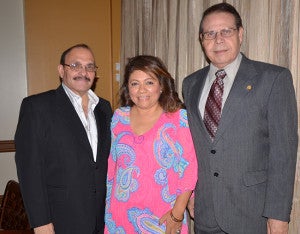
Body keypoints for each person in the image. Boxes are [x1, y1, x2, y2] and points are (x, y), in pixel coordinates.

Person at [182, 3, 298, 234]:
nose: (218, 40)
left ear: (240, 34)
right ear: (201, 39)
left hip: (253, 214)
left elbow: (283, 153)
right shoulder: (190, 83)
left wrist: (278, 215)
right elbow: (191, 146)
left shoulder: (273, 78)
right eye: (210, 34)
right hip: (205, 212)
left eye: (226, 31)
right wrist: (192, 192)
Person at [15, 43, 112, 234]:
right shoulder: (37, 107)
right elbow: (29, 169)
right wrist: (41, 222)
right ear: (61, 70)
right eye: (75, 65)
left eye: (89, 66)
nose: (83, 72)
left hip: (101, 218)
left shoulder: (104, 109)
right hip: (60, 219)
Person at [104, 55, 198, 234]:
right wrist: (109, 213)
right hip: (120, 216)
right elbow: (112, 169)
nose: (141, 90)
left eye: (149, 82)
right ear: (127, 88)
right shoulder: (118, 118)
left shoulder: (179, 118)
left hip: (164, 216)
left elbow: (189, 170)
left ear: (161, 85)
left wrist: (176, 215)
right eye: (134, 83)